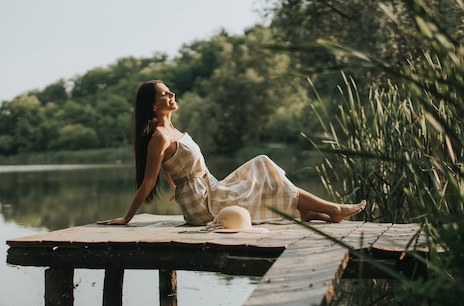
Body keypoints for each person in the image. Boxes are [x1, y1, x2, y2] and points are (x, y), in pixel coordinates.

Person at [96, 80, 366, 226]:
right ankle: (333, 209)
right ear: (153, 106)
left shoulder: (171, 130)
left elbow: (171, 167)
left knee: (263, 169)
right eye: (165, 94)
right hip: (202, 205)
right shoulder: (159, 137)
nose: (172, 95)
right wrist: (126, 218)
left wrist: (175, 186)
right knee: (262, 165)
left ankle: (310, 211)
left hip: (209, 188)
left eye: (170, 92)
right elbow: (148, 181)